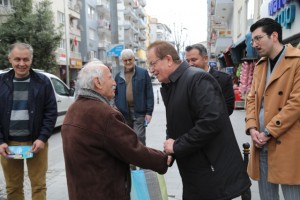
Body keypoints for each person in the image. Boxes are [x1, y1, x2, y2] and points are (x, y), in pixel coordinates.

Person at [147, 40, 251, 200]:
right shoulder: (172, 84)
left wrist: (177, 145)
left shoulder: (197, 79)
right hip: (194, 170)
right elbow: (177, 123)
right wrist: (171, 150)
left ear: (168, 59)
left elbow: (212, 121)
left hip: (210, 171)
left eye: (153, 63)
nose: (151, 70)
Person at [61, 61, 168, 200]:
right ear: (98, 82)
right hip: (104, 192)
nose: (115, 83)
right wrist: (164, 159)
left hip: (81, 192)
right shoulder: (104, 114)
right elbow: (133, 150)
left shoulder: (73, 109)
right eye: (110, 78)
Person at [246, 17, 300, 200]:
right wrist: (252, 127)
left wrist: (268, 131)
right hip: (261, 142)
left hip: (288, 143)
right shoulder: (260, 65)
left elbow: (296, 103)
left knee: (292, 195)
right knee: (267, 196)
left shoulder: (297, 61)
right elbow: (251, 98)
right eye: (253, 40)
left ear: (274, 36)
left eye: (258, 38)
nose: (254, 44)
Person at [0, 42, 58, 200]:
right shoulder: (1, 81)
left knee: (38, 186)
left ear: (31, 59)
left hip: (36, 143)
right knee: (13, 187)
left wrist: (42, 138)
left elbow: (51, 112)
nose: (21, 64)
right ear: (9, 59)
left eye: (26, 59)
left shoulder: (43, 81)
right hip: (9, 144)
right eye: (17, 59)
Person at [114, 49, 154, 145]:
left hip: (139, 111)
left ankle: (141, 159)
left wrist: (149, 112)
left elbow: (149, 93)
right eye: (125, 60)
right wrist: (116, 106)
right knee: (127, 137)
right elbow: (114, 94)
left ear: (134, 59)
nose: (128, 62)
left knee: (139, 137)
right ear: (122, 61)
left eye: (130, 59)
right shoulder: (118, 76)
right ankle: (130, 159)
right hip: (124, 112)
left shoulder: (143, 73)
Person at [185, 43, 235, 115]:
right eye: (188, 61)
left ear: (205, 59)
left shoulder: (224, 79)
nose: (190, 64)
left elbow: (228, 109)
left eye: (193, 60)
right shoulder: (185, 80)